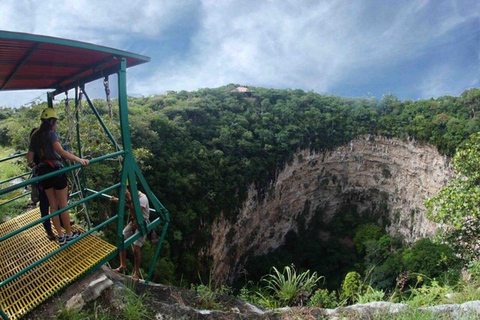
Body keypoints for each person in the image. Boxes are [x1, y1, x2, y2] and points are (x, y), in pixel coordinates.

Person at [27, 107, 89, 246]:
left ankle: (61, 237)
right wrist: (78, 160)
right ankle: (69, 234)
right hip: (56, 171)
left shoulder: (35, 135)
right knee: (63, 206)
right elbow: (60, 151)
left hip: (43, 173)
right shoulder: (51, 134)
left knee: (53, 207)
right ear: (52, 121)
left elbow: (29, 158)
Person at [30, 128, 74, 241]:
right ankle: (64, 233)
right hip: (52, 176)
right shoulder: (46, 146)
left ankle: (59, 233)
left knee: (52, 206)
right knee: (57, 205)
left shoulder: (36, 148)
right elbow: (60, 154)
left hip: (44, 179)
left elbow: (30, 160)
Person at [111, 188, 150, 281]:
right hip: (134, 222)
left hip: (142, 222)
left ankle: (136, 273)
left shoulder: (143, 199)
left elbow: (135, 213)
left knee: (136, 247)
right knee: (122, 237)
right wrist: (117, 200)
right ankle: (122, 265)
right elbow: (128, 204)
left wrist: (128, 199)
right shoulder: (134, 198)